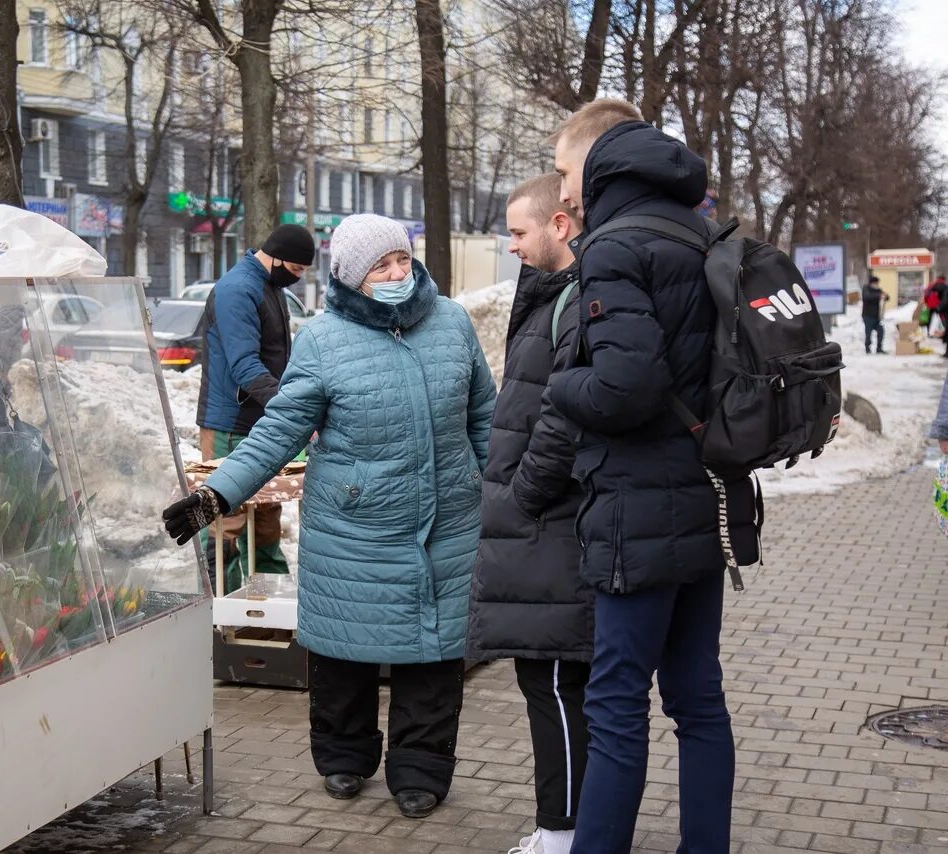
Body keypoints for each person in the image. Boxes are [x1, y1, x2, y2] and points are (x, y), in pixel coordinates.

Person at [164, 214, 496, 819]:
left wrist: (505, 491)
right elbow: (278, 431)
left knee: (437, 651)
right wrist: (218, 495)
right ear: (350, 275)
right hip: (354, 526)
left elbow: (483, 419)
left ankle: (421, 767)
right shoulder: (323, 338)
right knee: (345, 650)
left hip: (447, 522)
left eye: (402, 259)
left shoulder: (451, 323)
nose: (397, 274)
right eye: (380, 266)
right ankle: (344, 756)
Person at [545, 98, 759, 854]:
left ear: (601, 161)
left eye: (566, 170)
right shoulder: (697, 231)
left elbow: (623, 389)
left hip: (637, 510)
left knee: (615, 707)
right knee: (699, 699)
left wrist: (557, 383)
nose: (562, 189)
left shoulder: (613, 246)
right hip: (709, 496)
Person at [465, 174, 590, 854]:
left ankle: (562, 834)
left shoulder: (571, 300)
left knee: (551, 679)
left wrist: (520, 496)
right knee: (550, 679)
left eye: (518, 231)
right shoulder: (551, 295)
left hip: (550, 526)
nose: (510, 245)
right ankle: (569, 827)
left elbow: (561, 417)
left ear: (559, 226)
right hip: (541, 523)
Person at [195, 224, 315, 591]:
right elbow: (246, 366)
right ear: (276, 256)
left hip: (263, 422)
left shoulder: (270, 287)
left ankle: (267, 609)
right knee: (226, 520)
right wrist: (293, 410)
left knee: (265, 517)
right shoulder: (237, 289)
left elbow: (279, 358)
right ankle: (217, 610)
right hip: (230, 424)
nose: (295, 278)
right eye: (295, 270)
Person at [861, 275, 889, 354]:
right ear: (872, 283)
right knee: (868, 333)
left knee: (881, 331)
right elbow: (867, 297)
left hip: (877, 316)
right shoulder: (866, 288)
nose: (877, 284)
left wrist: (885, 296)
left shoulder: (878, 290)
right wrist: (879, 296)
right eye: (876, 283)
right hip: (868, 315)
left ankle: (879, 348)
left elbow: (887, 297)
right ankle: (867, 348)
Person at [927, 274, 948, 357]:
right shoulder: (944, 286)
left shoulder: (936, 285)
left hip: (943, 311)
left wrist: (938, 308)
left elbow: (945, 301)